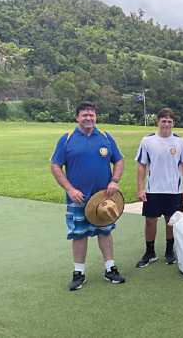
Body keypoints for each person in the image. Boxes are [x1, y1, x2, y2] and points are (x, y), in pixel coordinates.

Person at [50, 101, 125, 291]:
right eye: (84, 115)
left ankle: (110, 268)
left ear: (96, 117)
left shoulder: (105, 137)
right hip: (78, 198)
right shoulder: (66, 139)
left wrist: (114, 180)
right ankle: (79, 273)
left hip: (103, 198)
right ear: (77, 117)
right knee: (79, 234)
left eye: (91, 114)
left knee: (105, 232)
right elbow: (55, 165)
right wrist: (69, 189)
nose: (88, 118)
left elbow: (119, 160)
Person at [135, 108, 183, 268]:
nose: (166, 124)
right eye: (163, 120)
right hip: (153, 190)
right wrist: (140, 189)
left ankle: (169, 251)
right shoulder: (147, 141)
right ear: (158, 121)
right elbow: (141, 166)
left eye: (169, 121)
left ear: (173, 123)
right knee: (150, 221)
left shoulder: (181, 142)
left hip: (174, 190)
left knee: (171, 222)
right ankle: (150, 252)